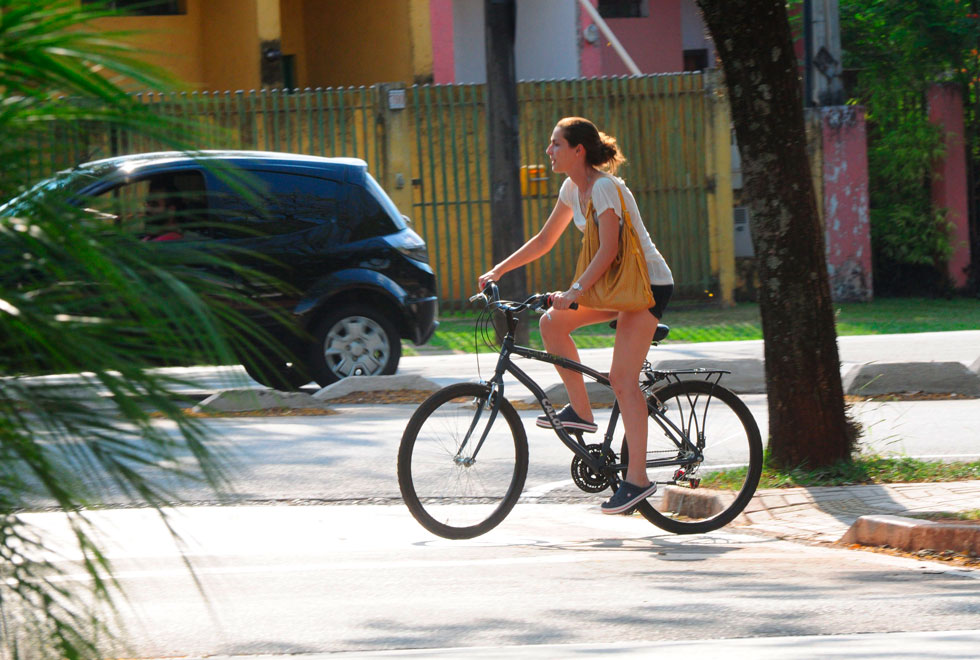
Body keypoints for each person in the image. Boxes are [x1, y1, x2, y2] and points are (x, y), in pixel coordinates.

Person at [478, 117, 674, 515]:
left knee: (622, 381)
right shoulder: (572, 188)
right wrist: (499, 270)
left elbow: (609, 249)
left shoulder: (604, 188)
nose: (549, 151)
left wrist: (574, 292)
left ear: (577, 150)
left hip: (646, 287)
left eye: (555, 144)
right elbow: (545, 240)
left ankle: (637, 480)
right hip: (617, 288)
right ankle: (582, 413)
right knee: (552, 322)